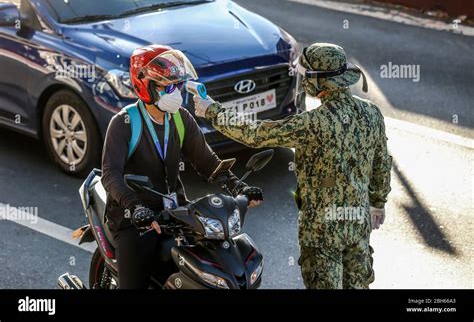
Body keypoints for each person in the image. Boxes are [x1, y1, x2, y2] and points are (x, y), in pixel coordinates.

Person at [194, 43, 392, 289]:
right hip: (358, 222)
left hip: (322, 230)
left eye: (305, 75)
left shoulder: (311, 124)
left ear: (317, 82)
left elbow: (255, 134)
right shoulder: (372, 113)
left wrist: (211, 110)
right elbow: (382, 165)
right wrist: (378, 203)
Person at [101, 45, 263, 289]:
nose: (175, 92)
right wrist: (135, 207)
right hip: (134, 217)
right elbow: (111, 175)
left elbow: (206, 161)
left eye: (177, 86)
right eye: (168, 87)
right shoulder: (124, 122)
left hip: (175, 212)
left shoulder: (180, 118)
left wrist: (237, 186)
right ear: (146, 86)